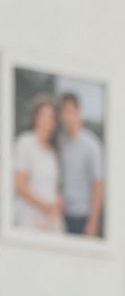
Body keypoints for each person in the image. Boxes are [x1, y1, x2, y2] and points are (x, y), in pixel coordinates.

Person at [56, 91, 104, 236]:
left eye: (71, 111)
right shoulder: (59, 142)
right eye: (64, 112)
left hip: (82, 215)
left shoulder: (91, 145)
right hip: (59, 214)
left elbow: (98, 185)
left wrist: (92, 222)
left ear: (79, 113)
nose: (68, 117)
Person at [11, 94, 62, 232]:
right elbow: (20, 185)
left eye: (51, 117)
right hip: (28, 219)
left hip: (49, 221)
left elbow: (51, 187)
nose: (47, 120)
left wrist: (56, 203)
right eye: (43, 115)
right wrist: (44, 205)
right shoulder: (25, 143)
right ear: (35, 117)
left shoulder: (52, 152)